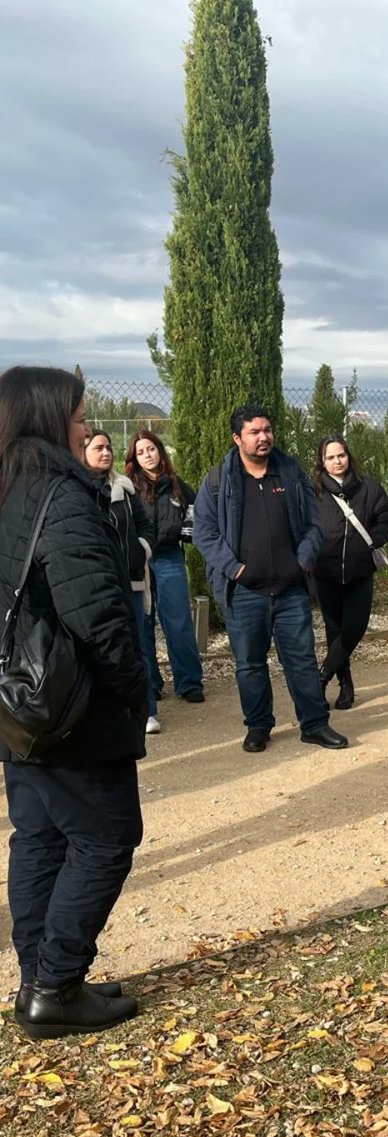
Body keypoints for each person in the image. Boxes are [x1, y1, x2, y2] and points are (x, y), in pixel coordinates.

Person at [0, 366, 144, 1037]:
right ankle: (55, 985)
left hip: (16, 705)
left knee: (40, 836)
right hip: (69, 707)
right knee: (107, 837)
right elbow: (99, 618)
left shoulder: (7, 490)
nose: (88, 427)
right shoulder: (59, 497)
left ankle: (39, 981)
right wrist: (129, 692)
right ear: (50, 418)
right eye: (82, 416)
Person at [192, 405, 347, 753]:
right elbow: (205, 533)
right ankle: (259, 726)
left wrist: (303, 561)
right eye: (254, 432)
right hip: (244, 592)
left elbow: (313, 524)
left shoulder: (290, 473)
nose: (264, 437)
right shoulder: (218, 481)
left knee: (302, 660)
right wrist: (236, 569)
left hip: (291, 590)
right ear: (237, 438)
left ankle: (314, 724)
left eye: (267, 430)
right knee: (249, 664)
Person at [311, 437, 388, 710]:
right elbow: (303, 526)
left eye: (341, 455)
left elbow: (387, 522)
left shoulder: (369, 488)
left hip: (360, 572)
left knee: (354, 628)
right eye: (330, 457)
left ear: (349, 456)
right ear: (322, 462)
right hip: (325, 572)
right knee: (334, 630)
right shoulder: (313, 492)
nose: (337, 462)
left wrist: (369, 542)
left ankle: (321, 677)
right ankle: (345, 685)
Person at [85, 430, 159, 735]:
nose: (105, 452)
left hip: (131, 581)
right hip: (98, 585)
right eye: (98, 448)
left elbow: (144, 525)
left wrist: (140, 548)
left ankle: (147, 711)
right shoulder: (77, 490)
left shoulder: (124, 489)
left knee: (138, 645)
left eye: (108, 447)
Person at [125, 430, 205, 705]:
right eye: (141, 452)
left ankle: (189, 682)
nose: (147, 455)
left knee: (178, 622)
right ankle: (151, 684)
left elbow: (195, 515)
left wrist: (185, 533)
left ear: (160, 450)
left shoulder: (176, 485)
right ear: (134, 458)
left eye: (151, 449)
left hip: (170, 558)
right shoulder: (129, 488)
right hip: (140, 562)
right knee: (143, 625)